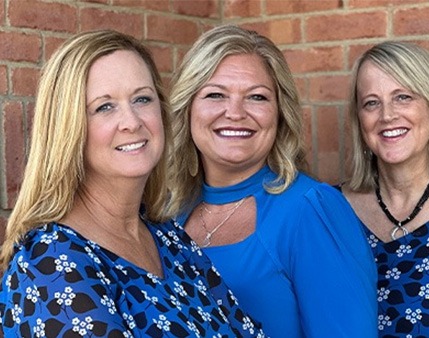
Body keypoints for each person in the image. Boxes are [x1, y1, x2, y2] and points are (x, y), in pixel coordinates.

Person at [0, 29, 266, 337]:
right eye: (104, 106)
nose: (132, 121)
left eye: (142, 99)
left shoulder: (170, 239)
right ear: (69, 127)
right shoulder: (50, 264)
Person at [167, 24, 377, 337]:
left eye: (256, 97)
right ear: (187, 108)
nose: (235, 112)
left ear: (279, 113)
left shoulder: (310, 209)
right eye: (215, 94)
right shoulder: (170, 209)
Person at [339, 41, 429, 336]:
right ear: (359, 119)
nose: (387, 115)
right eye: (371, 102)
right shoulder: (328, 209)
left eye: (403, 97)